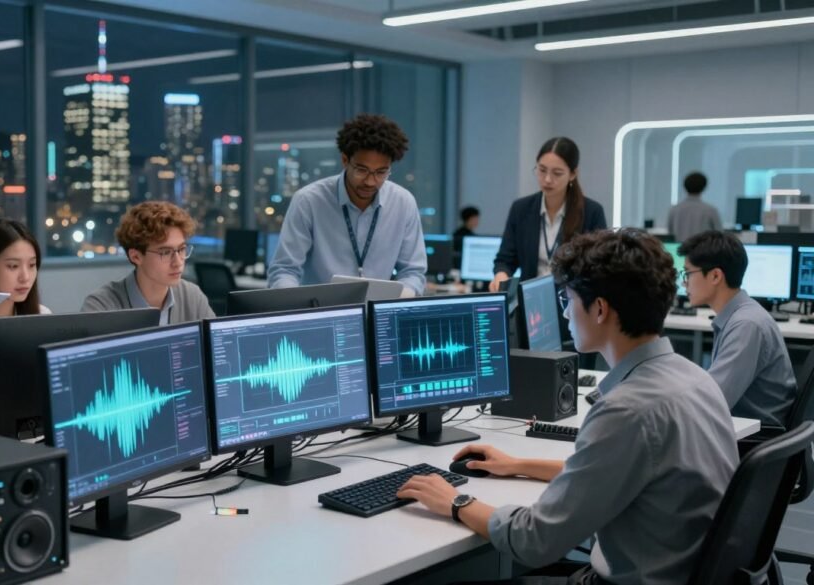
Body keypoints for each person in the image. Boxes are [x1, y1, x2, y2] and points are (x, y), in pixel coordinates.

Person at [398, 229, 738, 584]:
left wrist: (456, 502)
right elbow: (613, 471)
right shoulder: (696, 378)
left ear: (601, 309)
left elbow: (534, 540)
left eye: (568, 299)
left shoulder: (627, 410)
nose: (564, 311)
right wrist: (517, 465)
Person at [267, 114, 427, 295]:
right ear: (345, 160)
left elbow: (413, 272)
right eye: (362, 170)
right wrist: (297, 308)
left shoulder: (403, 203)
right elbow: (284, 269)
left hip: (375, 315)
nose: (370, 181)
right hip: (321, 313)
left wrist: (400, 298)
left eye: (381, 172)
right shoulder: (309, 201)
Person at [679, 230, 796, 428]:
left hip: (755, 438)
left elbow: (713, 401)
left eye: (688, 273)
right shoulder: (738, 316)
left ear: (715, 276)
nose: (683, 282)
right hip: (743, 428)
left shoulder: (746, 324)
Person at [489, 137, 607, 293]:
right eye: (542, 170)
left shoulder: (592, 212)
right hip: (530, 301)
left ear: (573, 174)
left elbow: (600, 266)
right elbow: (505, 259)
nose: (547, 179)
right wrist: (501, 274)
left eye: (557, 173)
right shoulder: (521, 209)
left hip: (572, 303)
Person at [82, 201, 214, 323]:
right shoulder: (101, 306)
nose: (178, 262)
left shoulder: (192, 296)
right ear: (136, 257)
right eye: (165, 252)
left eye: (181, 249)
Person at [667, 172, 721, 242]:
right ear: (704, 187)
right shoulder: (710, 210)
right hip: (703, 250)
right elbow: (719, 235)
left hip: (679, 250)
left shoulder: (674, 209)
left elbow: (670, 233)